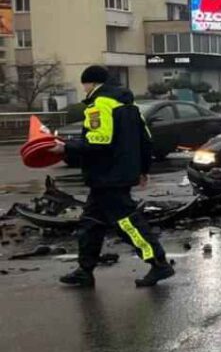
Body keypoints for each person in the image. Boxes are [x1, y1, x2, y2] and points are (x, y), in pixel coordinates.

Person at [52, 66, 174, 288]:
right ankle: (85, 270)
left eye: (84, 85)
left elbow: (99, 141)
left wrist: (66, 148)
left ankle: (159, 263)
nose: (84, 89)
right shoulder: (130, 105)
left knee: (128, 224)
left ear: (90, 83)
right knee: (91, 223)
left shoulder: (100, 104)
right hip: (114, 175)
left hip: (108, 175)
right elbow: (145, 139)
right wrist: (143, 169)